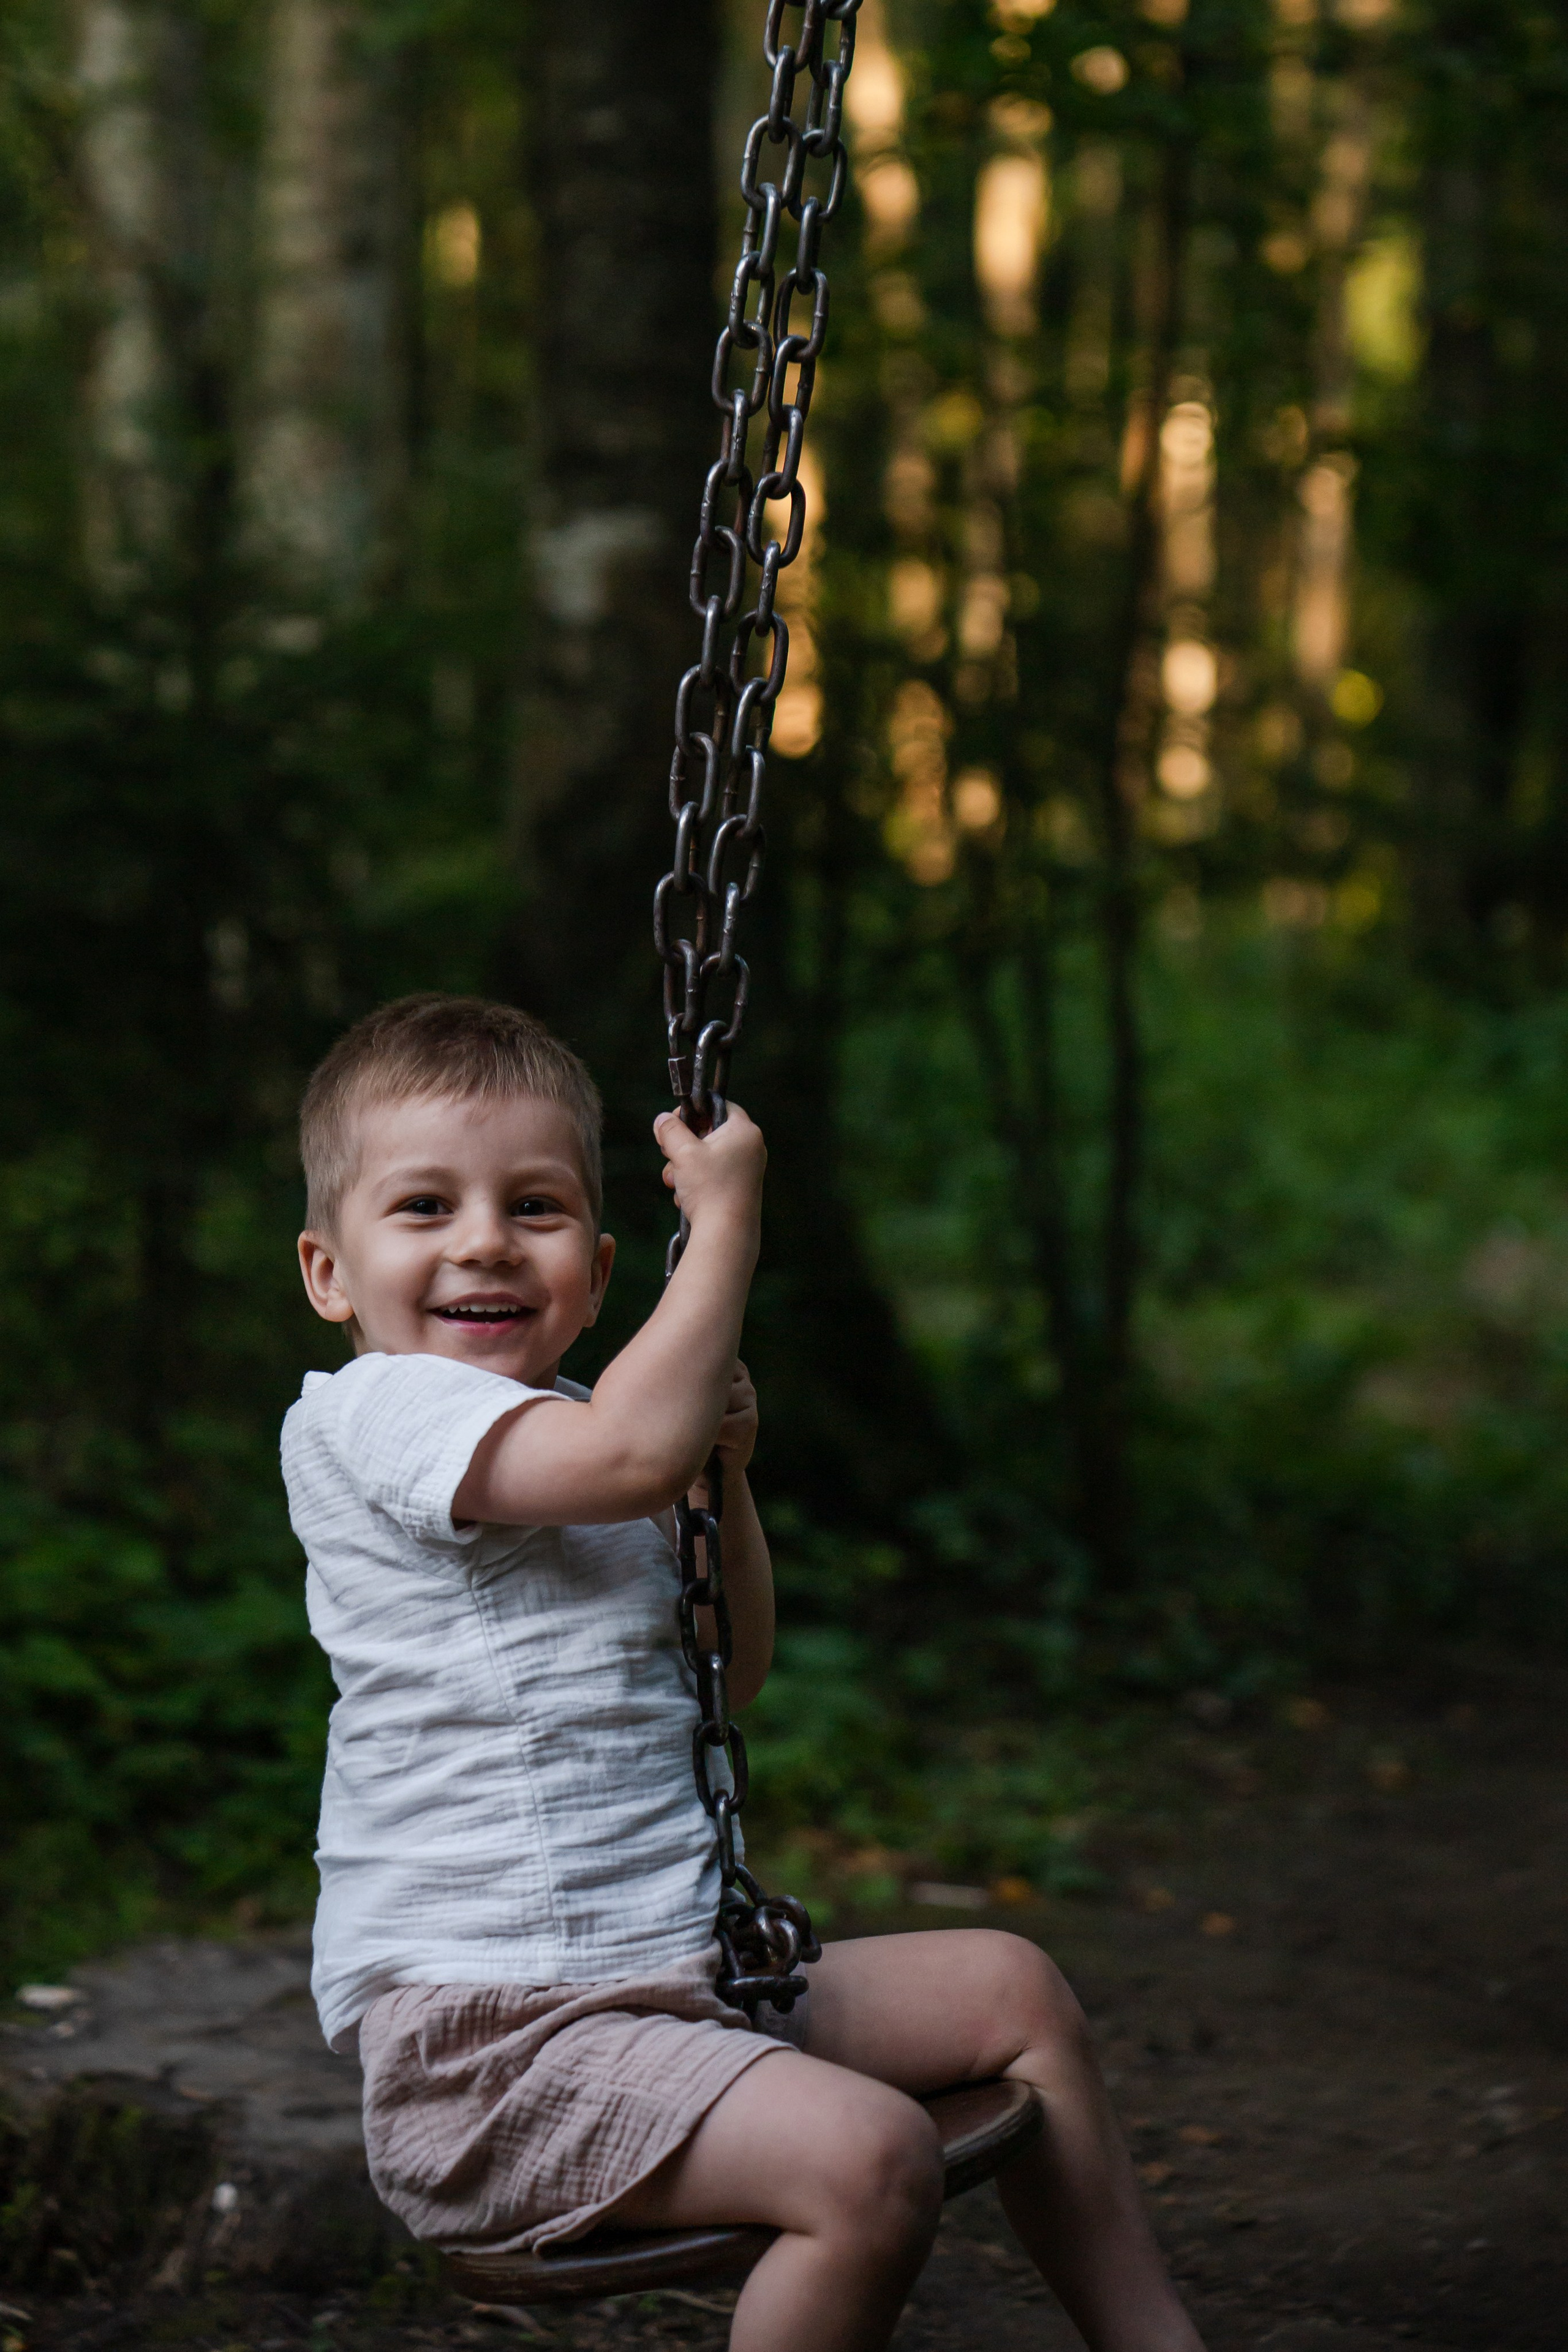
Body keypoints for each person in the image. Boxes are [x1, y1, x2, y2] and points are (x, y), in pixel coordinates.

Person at [283, 992, 1205, 2352]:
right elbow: (625, 1461)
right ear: (330, 1274)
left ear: (597, 1272)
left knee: (1014, 1991)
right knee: (869, 2160)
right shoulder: (376, 1412)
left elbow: (730, 1663)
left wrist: (722, 1479)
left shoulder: (589, 1427)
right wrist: (725, 1227)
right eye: (425, 1206)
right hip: (499, 2055)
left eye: (534, 1207)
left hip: (669, 1985)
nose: (484, 1240)